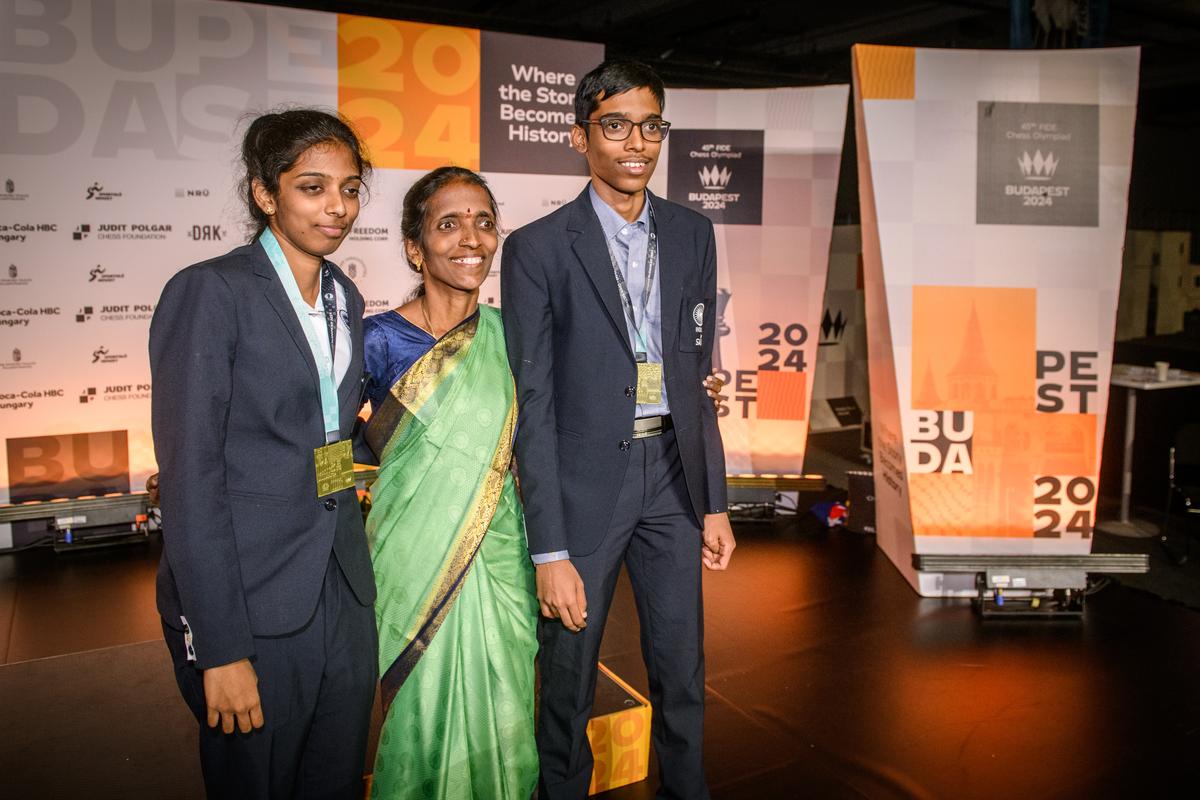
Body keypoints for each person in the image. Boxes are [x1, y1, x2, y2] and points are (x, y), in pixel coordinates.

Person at [501, 60, 737, 800]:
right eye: (615, 125)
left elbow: (698, 369)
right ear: (579, 137)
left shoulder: (693, 233)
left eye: (651, 125)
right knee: (567, 683)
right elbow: (531, 403)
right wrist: (549, 548)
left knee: (683, 670)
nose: (637, 142)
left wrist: (716, 499)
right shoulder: (538, 248)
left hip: (671, 474)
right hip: (583, 488)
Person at [150, 109, 377, 799]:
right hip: (252, 598)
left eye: (349, 187)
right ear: (265, 193)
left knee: (334, 780)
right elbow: (191, 482)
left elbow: (327, 436)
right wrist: (220, 647)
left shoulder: (345, 295)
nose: (337, 206)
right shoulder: (211, 292)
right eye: (313, 187)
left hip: (342, 585)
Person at [362, 167, 538, 799]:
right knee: (420, 705)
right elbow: (327, 444)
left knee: (504, 699)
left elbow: (569, 419)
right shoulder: (377, 341)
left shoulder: (511, 335)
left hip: (499, 554)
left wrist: (683, 394)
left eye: (484, 221)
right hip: (411, 550)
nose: (471, 237)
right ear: (416, 248)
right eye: (449, 223)